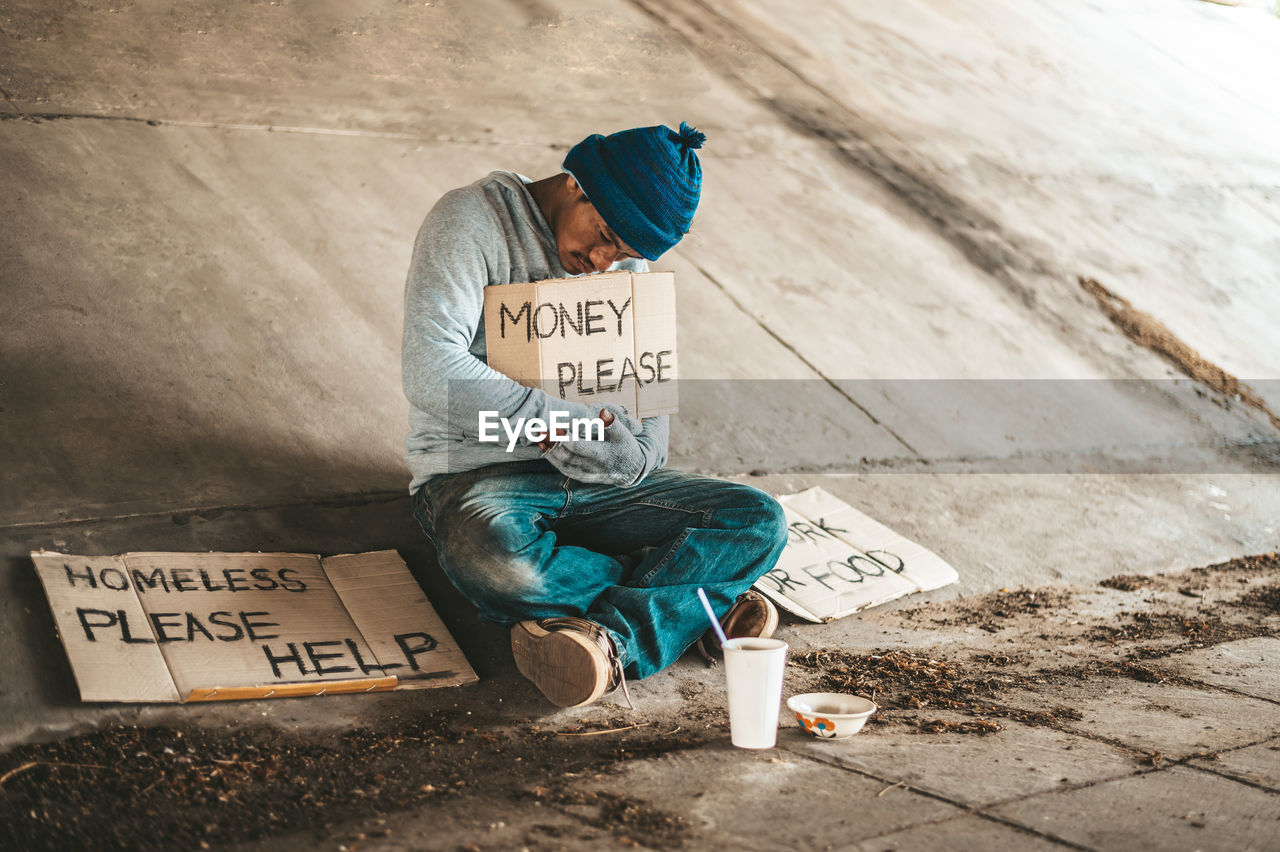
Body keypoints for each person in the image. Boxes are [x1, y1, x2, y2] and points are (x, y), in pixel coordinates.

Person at [402, 121, 789, 708]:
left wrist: (631, 457)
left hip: (601, 487)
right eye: (604, 234)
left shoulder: (624, 271)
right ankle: (688, 596)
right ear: (576, 183)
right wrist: (563, 423)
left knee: (759, 520)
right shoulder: (472, 220)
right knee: (497, 563)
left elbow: (651, 431)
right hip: (480, 478)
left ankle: (609, 637)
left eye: (627, 254)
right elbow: (431, 368)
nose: (602, 261)